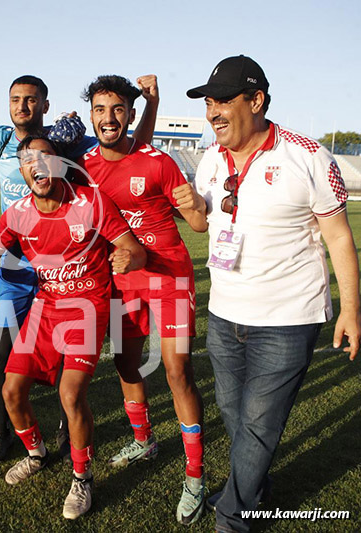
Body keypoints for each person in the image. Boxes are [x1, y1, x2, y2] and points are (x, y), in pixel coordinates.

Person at [188, 54, 361, 533]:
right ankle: (255, 494)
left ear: (256, 100)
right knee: (235, 417)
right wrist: (190, 209)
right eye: (208, 102)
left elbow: (339, 237)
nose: (212, 112)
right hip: (224, 314)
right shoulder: (210, 157)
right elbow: (206, 222)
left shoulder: (307, 157)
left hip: (288, 317)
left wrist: (351, 308)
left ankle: (233, 518)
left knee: (260, 426)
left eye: (222, 100)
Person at [0, 74, 159, 463]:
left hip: (68, 278)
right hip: (14, 273)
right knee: (6, 358)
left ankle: (65, 432)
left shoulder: (67, 141)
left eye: (32, 99)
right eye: (16, 99)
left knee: (64, 371)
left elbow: (128, 145)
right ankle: (6, 436)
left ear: (45, 105)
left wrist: (150, 104)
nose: (23, 106)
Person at [0, 136, 147, 519]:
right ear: (21, 171)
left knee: (70, 395)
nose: (36, 164)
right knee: (11, 391)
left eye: (44, 156)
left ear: (59, 164)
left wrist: (129, 257)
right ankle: (37, 453)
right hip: (47, 306)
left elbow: (135, 248)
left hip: (87, 306)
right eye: (27, 159)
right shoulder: (18, 213)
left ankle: (82, 478)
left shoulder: (90, 202)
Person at [78, 75, 209, 525]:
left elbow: (197, 226)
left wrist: (196, 206)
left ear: (131, 115)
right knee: (126, 363)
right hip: (121, 282)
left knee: (177, 371)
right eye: (100, 109)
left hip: (168, 276)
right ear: (90, 114)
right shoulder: (85, 166)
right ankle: (145, 439)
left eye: (117, 109)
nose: (108, 118)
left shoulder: (158, 160)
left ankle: (195, 475)